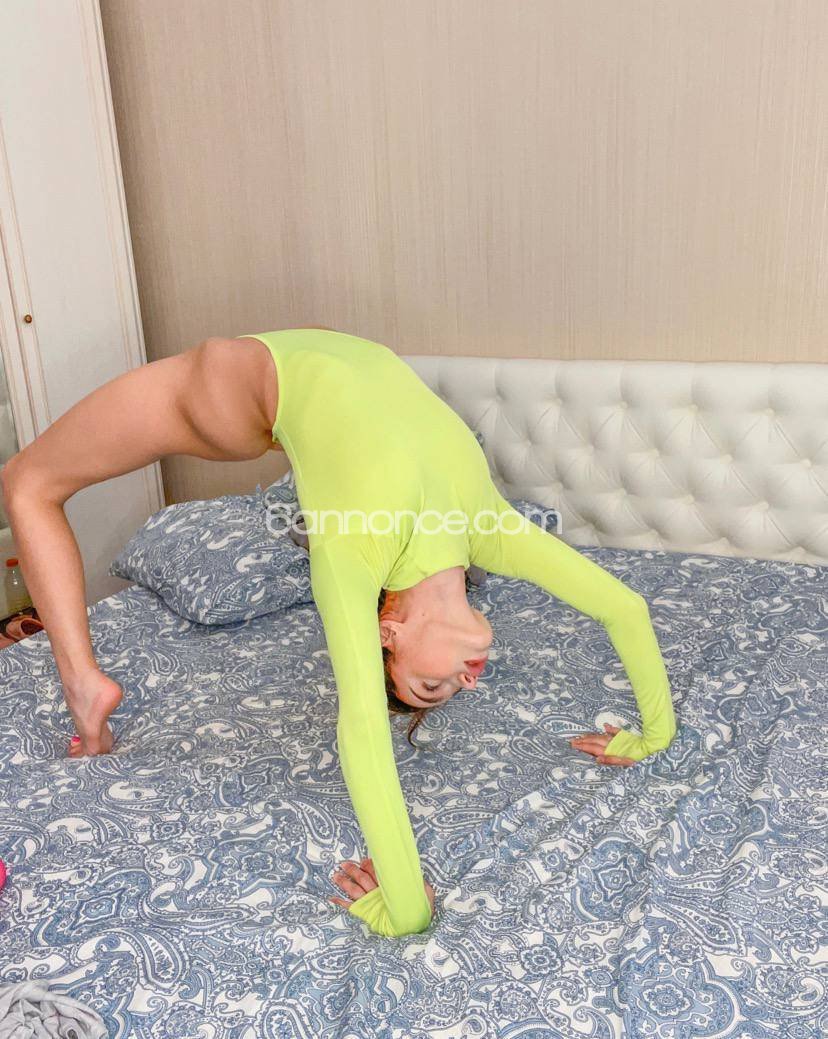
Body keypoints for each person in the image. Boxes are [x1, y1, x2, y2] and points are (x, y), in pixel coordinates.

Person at [0, 327, 676, 937]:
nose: (468, 681)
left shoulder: (352, 556)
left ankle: (84, 686)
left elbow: (361, 728)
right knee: (31, 481)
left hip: (234, 391)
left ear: (389, 630)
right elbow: (625, 608)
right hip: (298, 369)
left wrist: (404, 905)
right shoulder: (487, 527)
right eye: (445, 689)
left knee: (27, 481)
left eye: (430, 685)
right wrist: (651, 737)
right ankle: (85, 684)